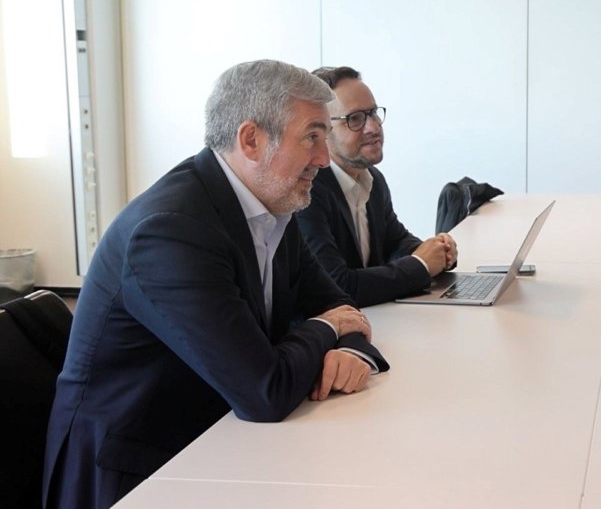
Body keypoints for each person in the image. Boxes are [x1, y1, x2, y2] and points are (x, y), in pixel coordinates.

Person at [43, 60, 390, 509]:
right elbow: (264, 390)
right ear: (251, 140)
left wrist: (349, 350)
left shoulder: (274, 203)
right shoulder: (170, 231)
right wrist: (327, 330)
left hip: (222, 437)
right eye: (312, 137)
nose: (324, 158)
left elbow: (341, 306)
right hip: (137, 472)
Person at [297, 66, 457, 306]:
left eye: (372, 113)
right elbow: (337, 285)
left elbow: (395, 242)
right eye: (355, 119)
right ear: (322, 131)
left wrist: (439, 251)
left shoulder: (373, 179)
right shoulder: (308, 191)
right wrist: (421, 265)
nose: (373, 127)